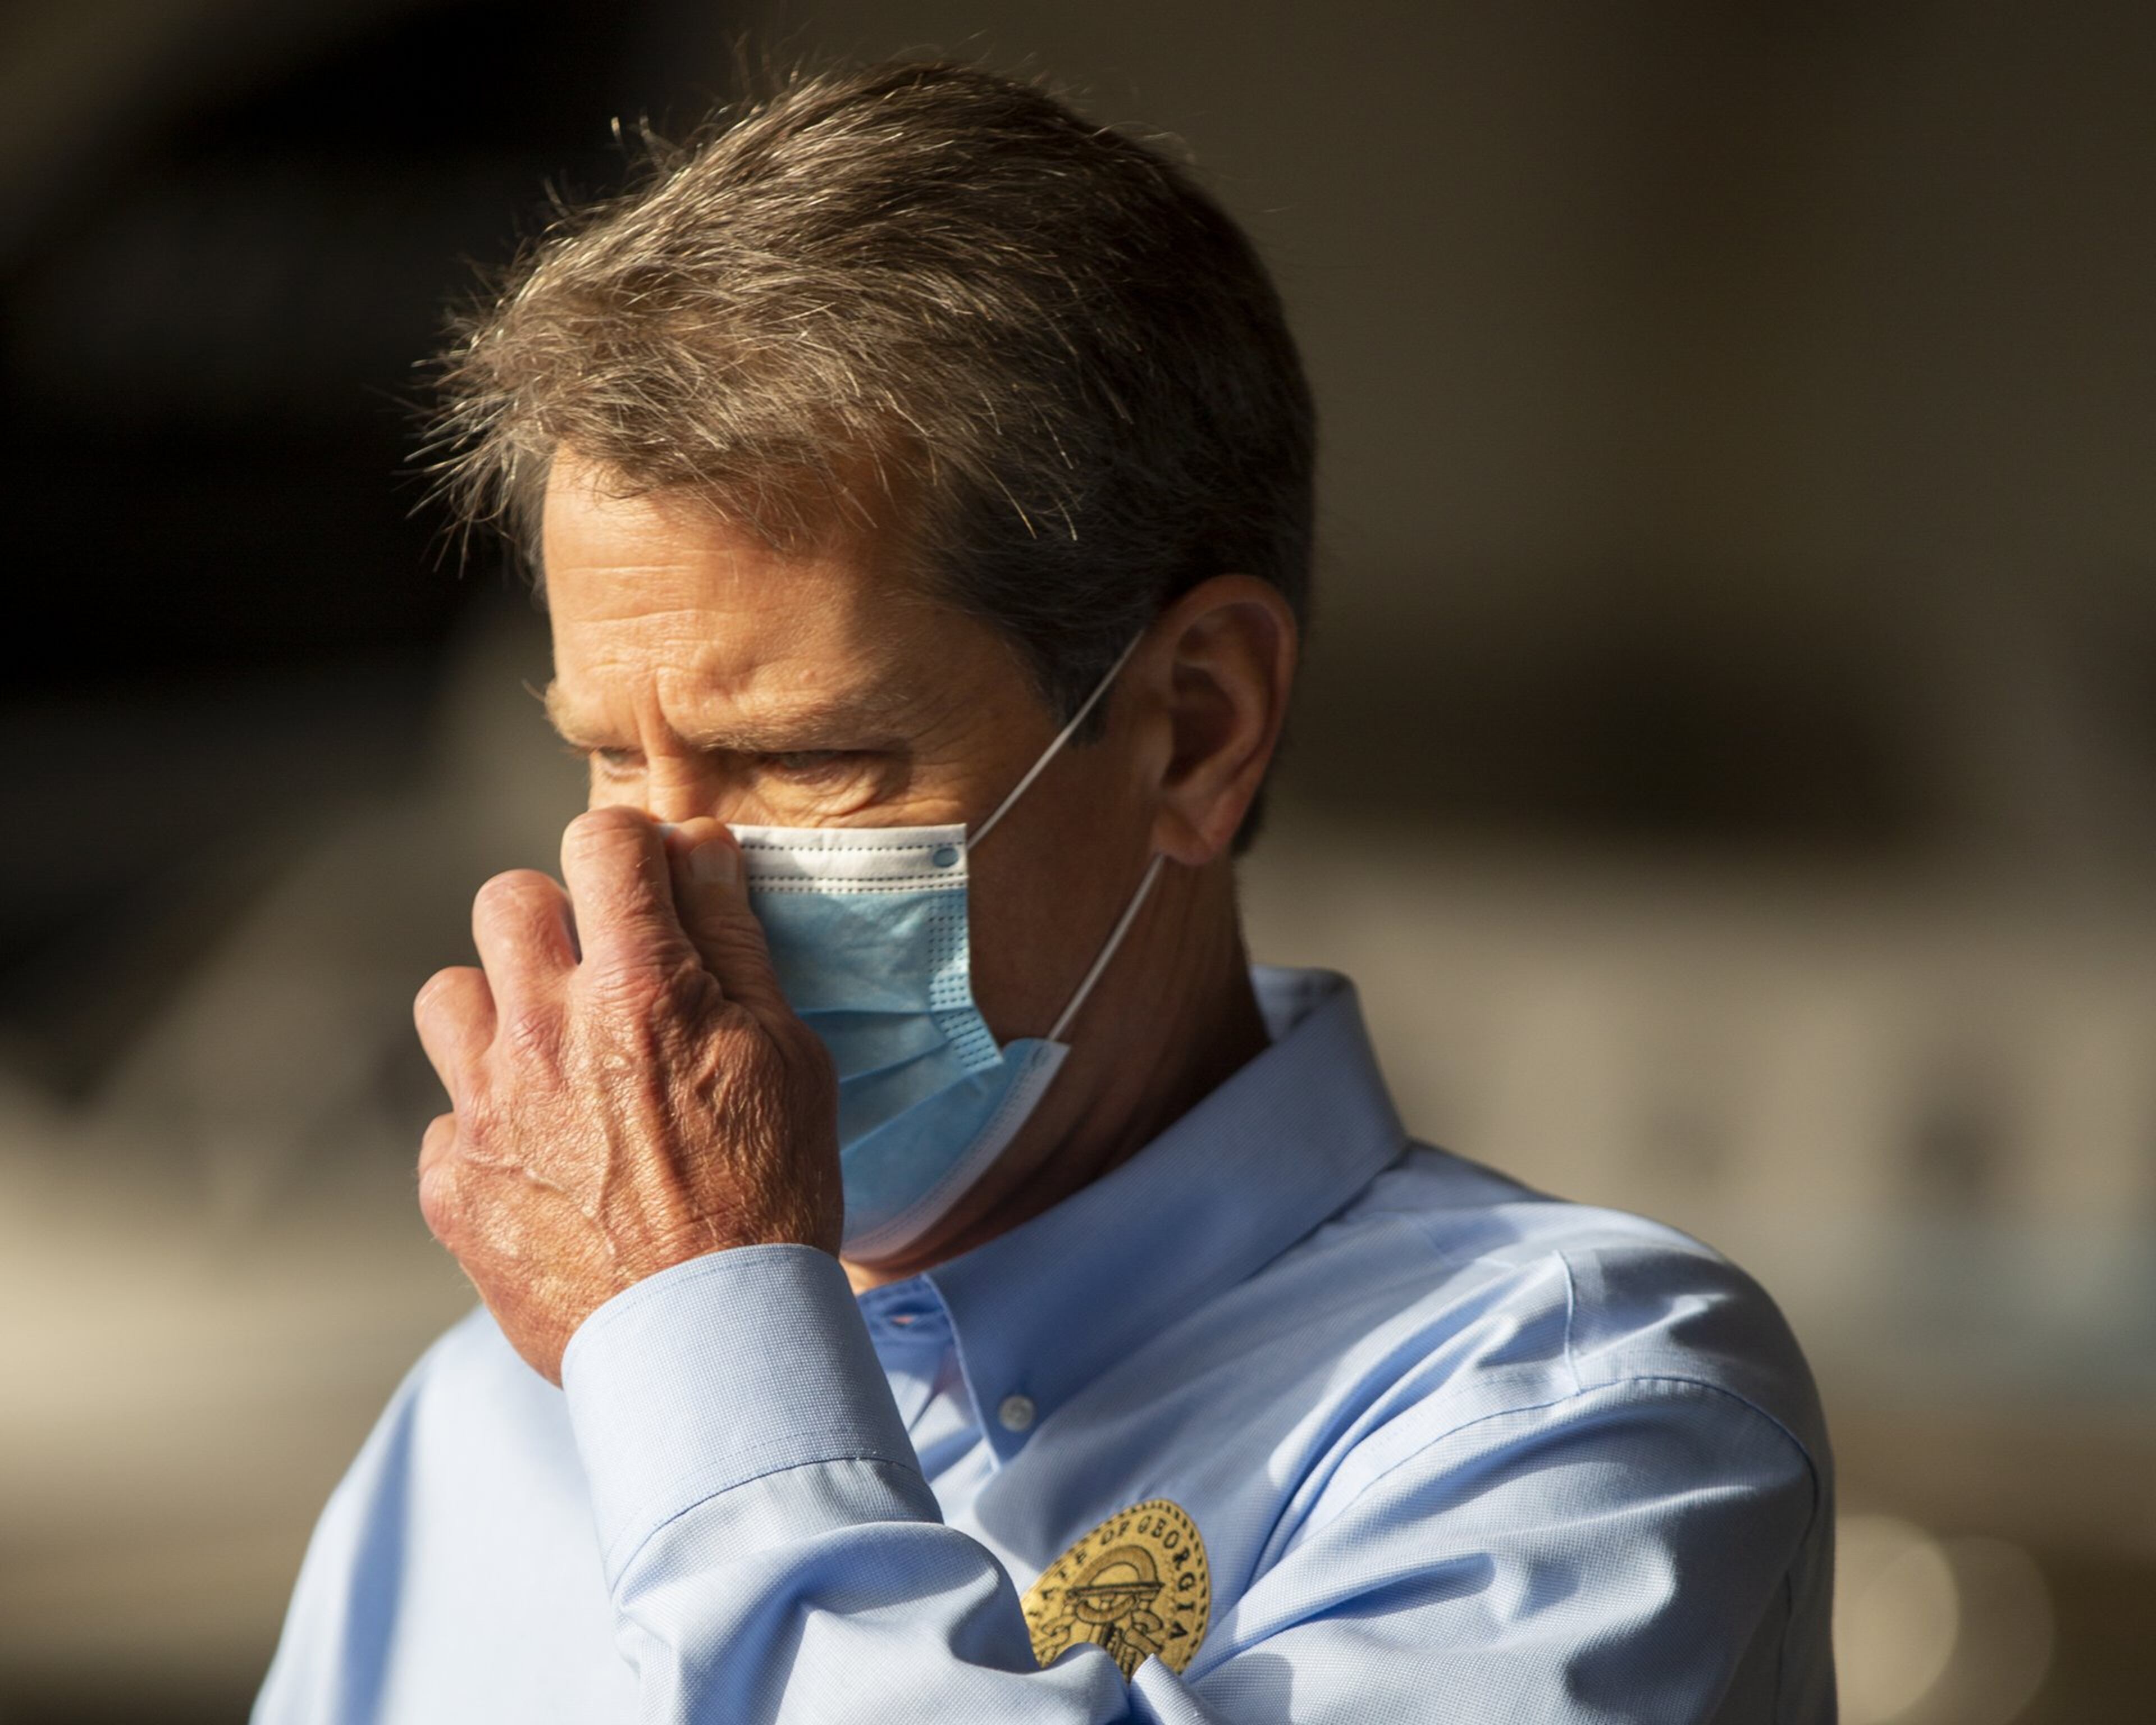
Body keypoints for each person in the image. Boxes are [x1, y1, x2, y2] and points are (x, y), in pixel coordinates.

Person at [255, 60, 1833, 1724]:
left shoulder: (1573, 1419)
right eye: (615, 761)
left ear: (1196, 729)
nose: (657, 896)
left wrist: (701, 1359)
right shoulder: (504, 1421)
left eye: (807, 761)